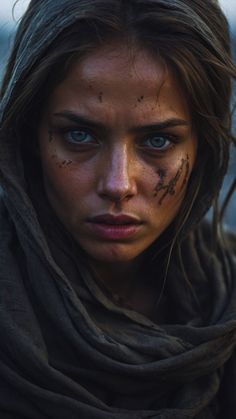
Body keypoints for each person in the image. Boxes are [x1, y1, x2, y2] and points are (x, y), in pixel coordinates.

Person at [0, 0, 235, 417]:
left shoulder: (224, 294)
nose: (117, 184)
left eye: (158, 140)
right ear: (30, 137)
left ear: (203, 147)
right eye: (78, 134)